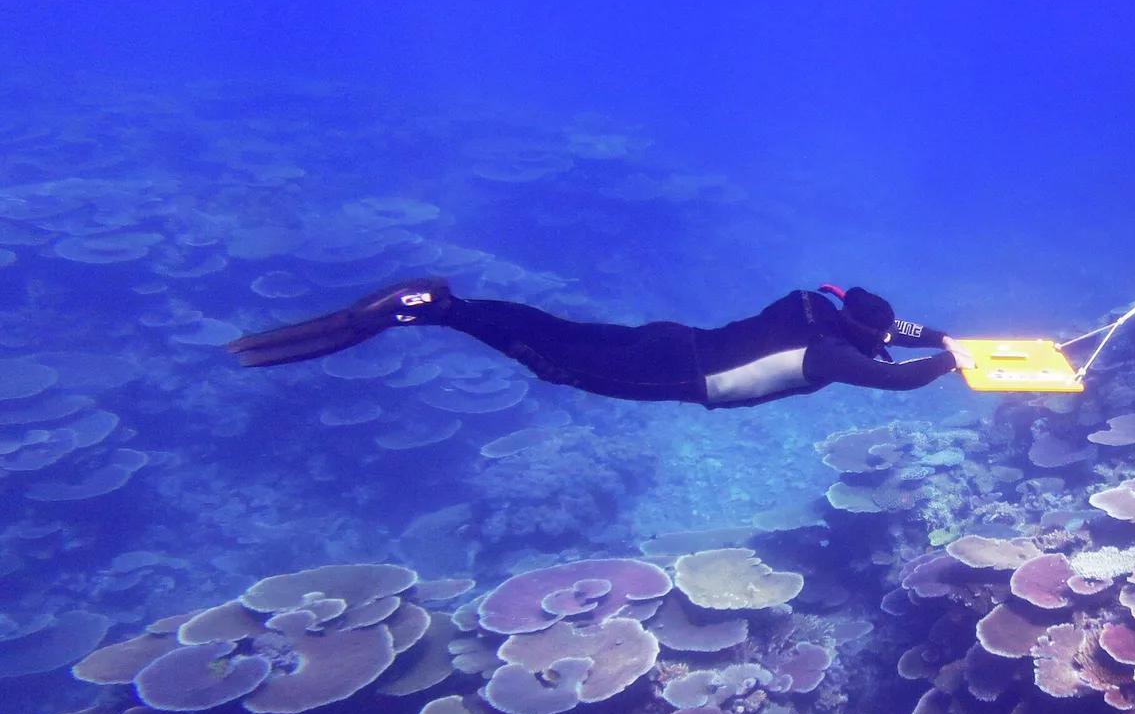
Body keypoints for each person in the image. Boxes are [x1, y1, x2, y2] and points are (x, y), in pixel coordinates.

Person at [226, 278, 976, 408]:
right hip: (678, 377)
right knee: (557, 364)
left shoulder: (817, 306)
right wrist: (957, 361)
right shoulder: (831, 359)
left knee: (560, 332)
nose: (887, 341)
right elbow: (901, 377)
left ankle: (449, 302)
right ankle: (438, 312)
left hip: (672, 339)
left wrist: (947, 336)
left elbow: (894, 329)